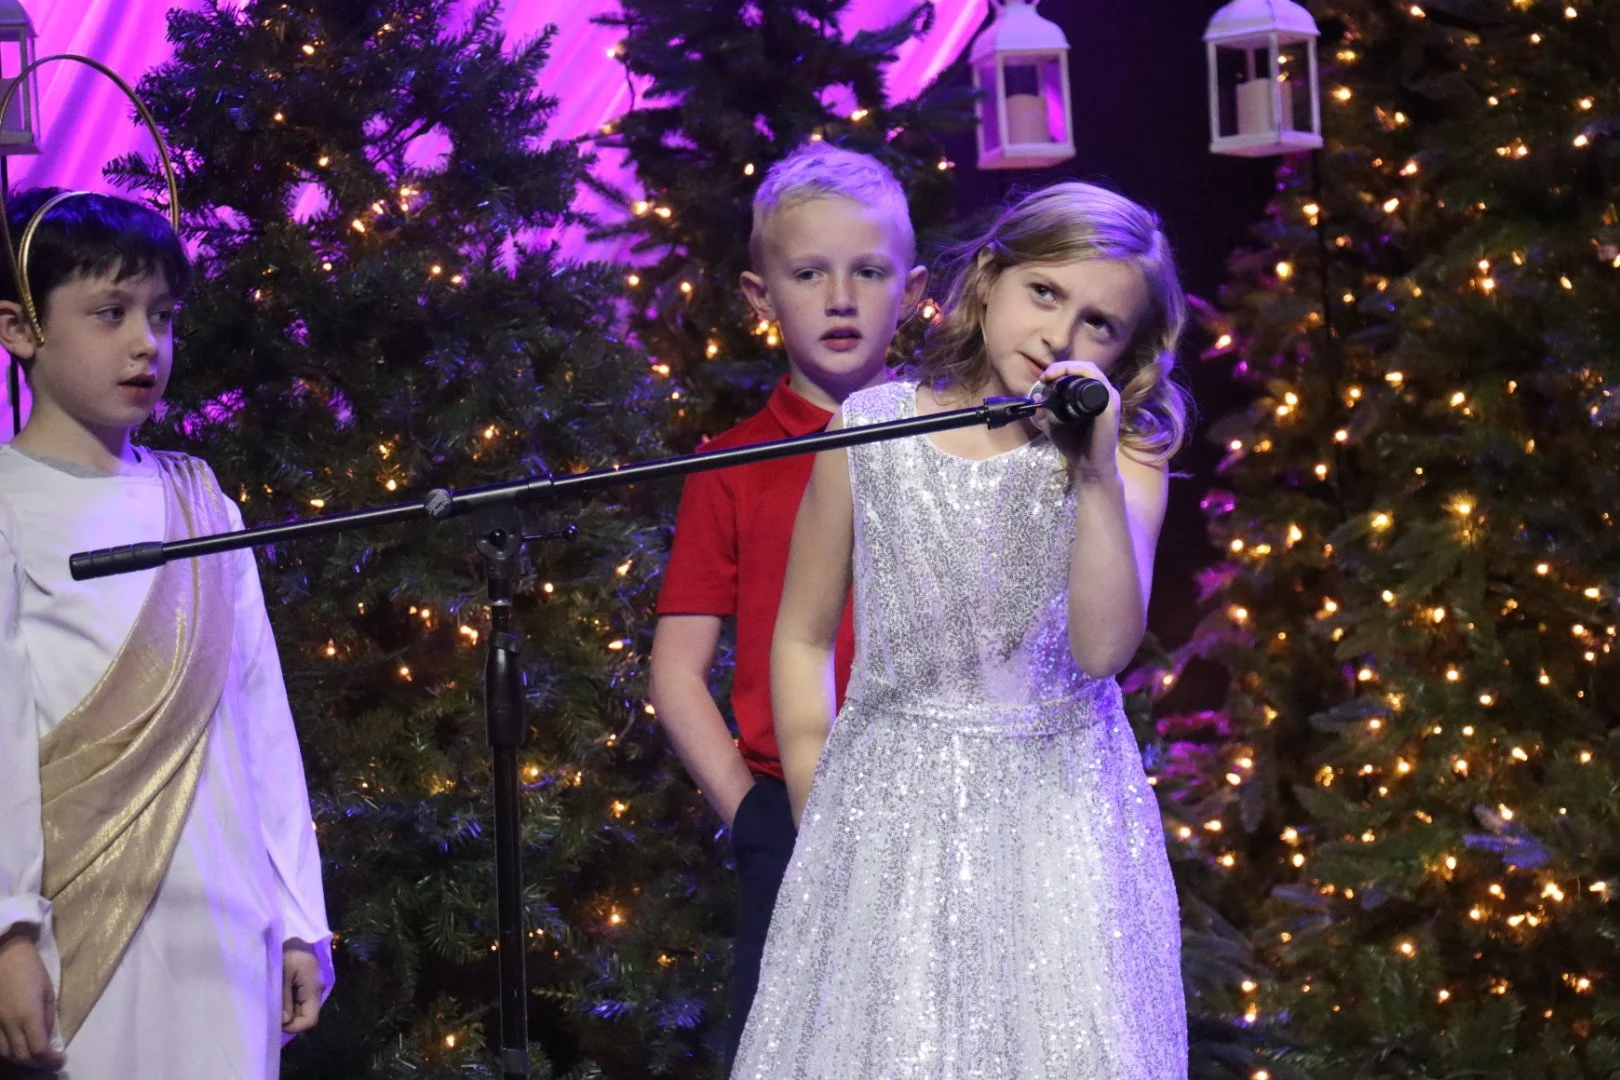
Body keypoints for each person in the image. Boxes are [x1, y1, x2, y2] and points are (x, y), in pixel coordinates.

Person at [733, 181, 1192, 1079]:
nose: (1060, 336)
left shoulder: (1127, 457)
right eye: (1044, 293)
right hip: (887, 812)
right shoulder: (870, 431)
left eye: (1099, 323)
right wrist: (822, 806)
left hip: (1058, 822)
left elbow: (1103, 650)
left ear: (1128, 349)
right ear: (988, 280)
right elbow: (802, 637)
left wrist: (1093, 472)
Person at [0, 188, 333, 1078]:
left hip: (225, 920)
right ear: (20, 328)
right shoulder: (7, 504)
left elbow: (260, 718)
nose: (146, 342)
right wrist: (9, 932)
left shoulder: (201, 500)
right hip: (77, 921)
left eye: (162, 315)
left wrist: (298, 917)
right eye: (110, 313)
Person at [649, 143, 927, 1066]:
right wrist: (751, 814)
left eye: (868, 272)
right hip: (795, 820)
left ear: (913, 292)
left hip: (941, 803)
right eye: (809, 274)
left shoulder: (951, 443)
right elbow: (677, 673)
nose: (840, 298)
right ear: (761, 296)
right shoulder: (729, 467)